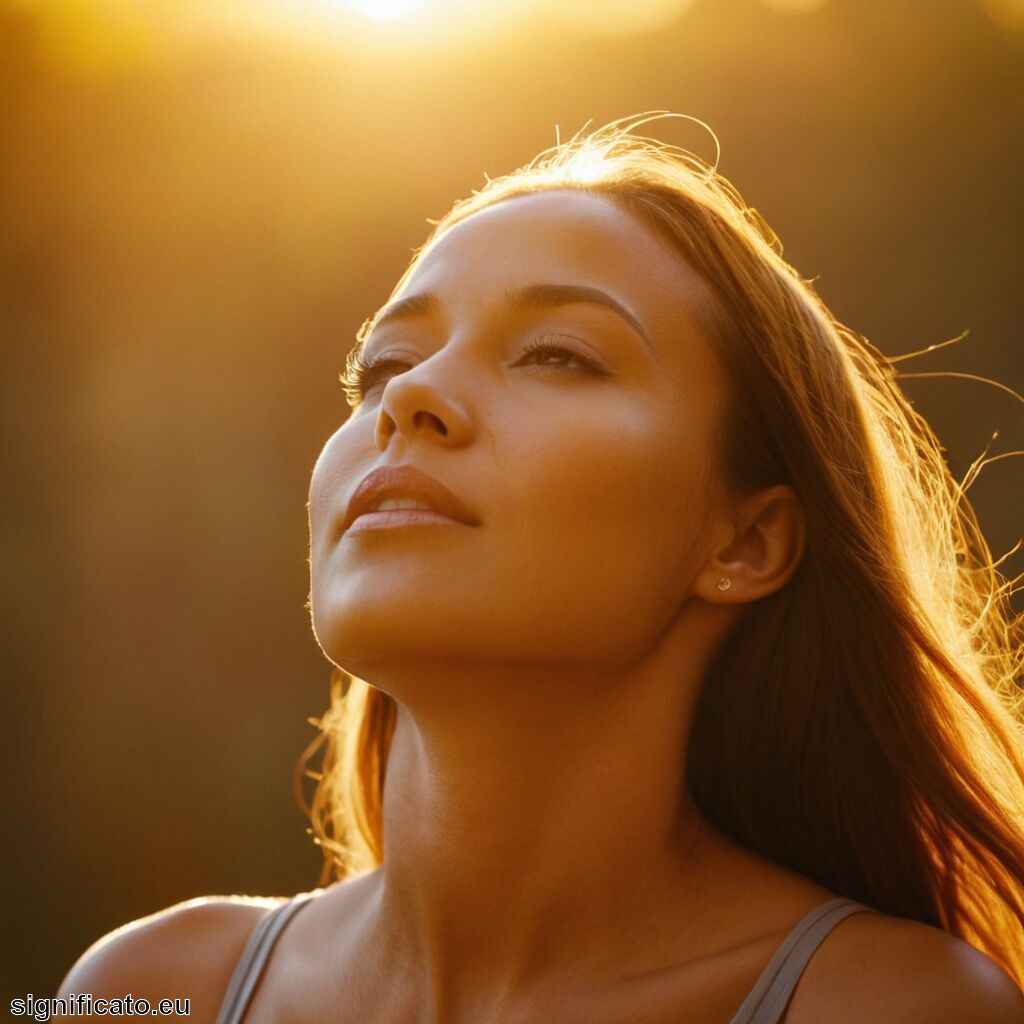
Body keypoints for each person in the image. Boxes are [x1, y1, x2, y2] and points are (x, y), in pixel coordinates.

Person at [59, 113, 1024, 1022]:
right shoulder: (141, 990)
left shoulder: (888, 1007)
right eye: (383, 367)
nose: (413, 397)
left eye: (557, 356)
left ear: (745, 542)